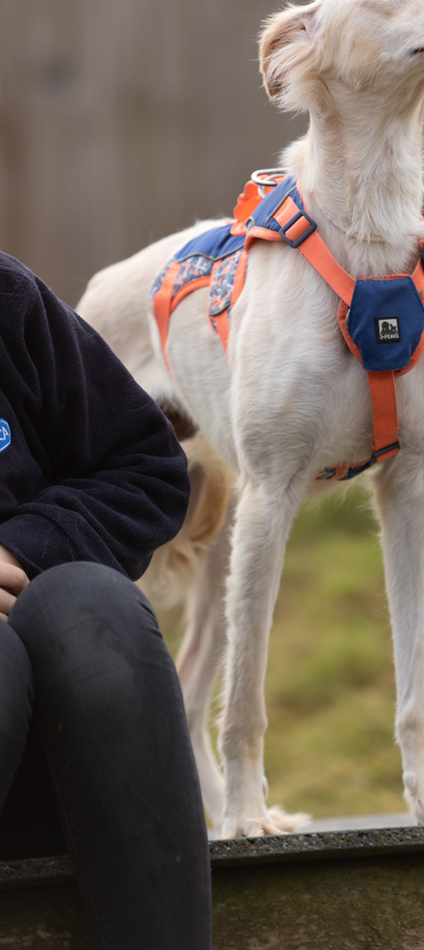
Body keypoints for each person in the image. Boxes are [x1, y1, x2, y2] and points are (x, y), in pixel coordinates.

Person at [0, 251, 212, 948]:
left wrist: (21, 548)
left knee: (93, 603)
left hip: (67, 768)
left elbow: (144, 465)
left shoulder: (10, 302)